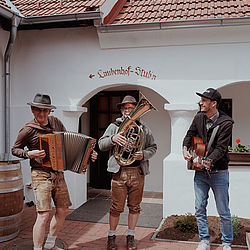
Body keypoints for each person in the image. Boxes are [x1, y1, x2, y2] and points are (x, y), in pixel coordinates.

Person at [12, 93, 98, 250]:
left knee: (63, 210)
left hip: (58, 174)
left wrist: (88, 154)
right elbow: (15, 150)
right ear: (32, 109)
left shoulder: (56, 123)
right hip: (40, 174)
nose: (41, 113)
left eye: (45, 110)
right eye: (38, 110)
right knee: (43, 215)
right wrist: (28, 154)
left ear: (50, 111)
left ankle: (50, 244)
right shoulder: (28, 130)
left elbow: (68, 142)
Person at [98, 95, 157, 250]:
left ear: (136, 110)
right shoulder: (113, 127)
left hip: (137, 172)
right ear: (121, 111)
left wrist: (143, 154)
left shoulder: (144, 128)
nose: (127, 111)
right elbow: (101, 144)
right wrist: (113, 138)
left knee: (135, 207)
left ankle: (131, 236)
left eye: (131, 108)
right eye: (125, 108)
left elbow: (153, 147)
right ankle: (111, 237)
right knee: (116, 207)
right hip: (119, 173)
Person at [182, 88, 234, 250]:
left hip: (219, 173)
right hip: (200, 173)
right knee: (199, 208)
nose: (200, 103)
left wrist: (207, 160)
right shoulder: (198, 118)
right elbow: (189, 135)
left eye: (204, 100)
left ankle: (226, 242)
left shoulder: (226, 122)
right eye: (201, 100)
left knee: (223, 211)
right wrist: (184, 147)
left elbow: (221, 148)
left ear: (214, 103)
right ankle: (204, 240)